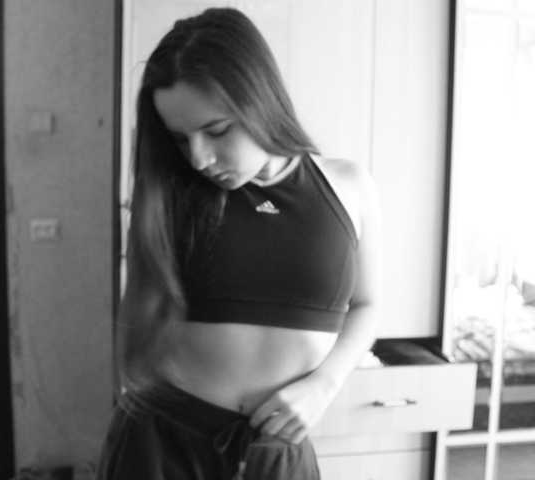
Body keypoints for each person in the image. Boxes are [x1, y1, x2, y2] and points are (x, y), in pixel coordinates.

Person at [95, 7, 381, 480]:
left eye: (217, 130)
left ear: (259, 100)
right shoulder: (168, 192)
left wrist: (325, 385)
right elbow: (137, 317)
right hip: (162, 447)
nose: (200, 158)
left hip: (275, 452)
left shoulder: (349, 186)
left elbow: (368, 305)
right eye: (181, 139)